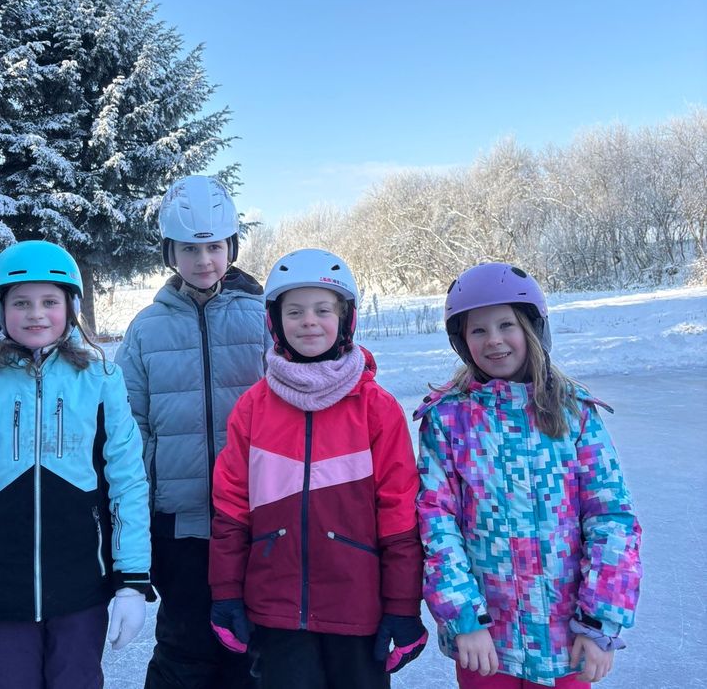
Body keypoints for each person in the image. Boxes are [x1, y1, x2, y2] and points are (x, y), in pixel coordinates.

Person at [0, 240, 152, 688]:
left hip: (82, 588)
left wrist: (131, 581)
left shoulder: (101, 378)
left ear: (71, 307)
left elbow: (127, 483)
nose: (36, 314)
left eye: (50, 301)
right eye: (21, 302)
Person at [415, 262, 642, 689]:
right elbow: (436, 526)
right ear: (462, 342)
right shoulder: (447, 420)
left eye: (506, 325)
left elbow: (611, 518)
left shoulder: (573, 412)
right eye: (478, 330)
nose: (494, 340)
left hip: (567, 641)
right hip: (486, 645)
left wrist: (599, 620)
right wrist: (465, 618)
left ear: (533, 330)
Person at [209, 248, 427, 689]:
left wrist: (402, 604)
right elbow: (231, 506)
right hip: (276, 607)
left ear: (346, 319)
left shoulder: (376, 408)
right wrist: (227, 593)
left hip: (356, 606)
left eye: (323, 309)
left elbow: (400, 511)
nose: (309, 321)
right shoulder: (253, 407)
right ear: (275, 322)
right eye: (295, 311)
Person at [115, 175, 269, 689]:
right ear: (170, 252)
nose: (204, 260)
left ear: (231, 247)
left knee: (252, 653)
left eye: (214, 246)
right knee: (184, 649)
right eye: (189, 248)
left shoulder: (266, 319)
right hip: (178, 526)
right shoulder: (146, 330)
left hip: (256, 520)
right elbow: (127, 428)